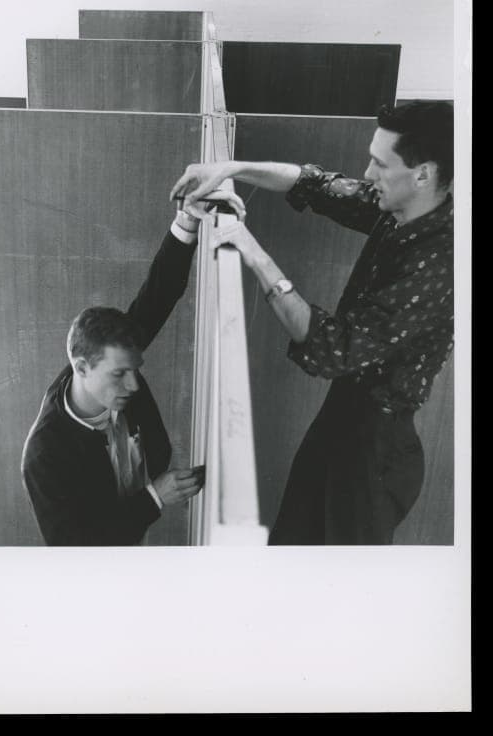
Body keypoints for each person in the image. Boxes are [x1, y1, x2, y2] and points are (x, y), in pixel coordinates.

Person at [170, 101, 454, 545]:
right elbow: (315, 184)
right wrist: (231, 167)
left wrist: (252, 251)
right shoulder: (397, 207)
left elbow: (333, 348)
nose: (368, 173)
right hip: (343, 423)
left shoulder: (445, 261)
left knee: (332, 593)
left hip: (375, 453)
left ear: (423, 174)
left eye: (380, 164)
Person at [20, 201, 224, 546]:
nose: (133, 385)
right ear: (81, 368)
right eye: (119, 375)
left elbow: (159, 294)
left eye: (135, 370)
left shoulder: (110, 355)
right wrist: (154, 498)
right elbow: (78, 551)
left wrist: (187, 218)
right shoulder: (43, 456)